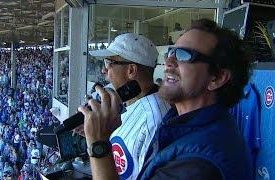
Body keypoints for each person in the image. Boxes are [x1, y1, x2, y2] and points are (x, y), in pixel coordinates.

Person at [78, 19, 253, 180]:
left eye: (184, 55)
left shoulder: (198, 163)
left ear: (217, 78)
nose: (168, 61)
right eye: (171, 52)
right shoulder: (183, 126)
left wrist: (98, 144)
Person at [88, 33, 170, 179]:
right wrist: (93, 134)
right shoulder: (133, 102)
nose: (104, 70)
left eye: (109, 63)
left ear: (131, 70)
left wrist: (97, 143)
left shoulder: (153, 120)